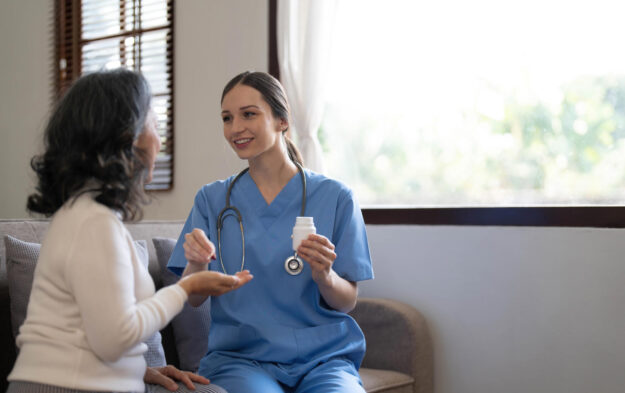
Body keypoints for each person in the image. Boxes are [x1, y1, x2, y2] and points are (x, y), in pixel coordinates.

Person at [6, 69, 253, 393]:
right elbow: (113, 338)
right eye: (152, 124)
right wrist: (186, 287)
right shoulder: (92, 223)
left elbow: (96, 328)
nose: (159, 139)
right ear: (124, 138)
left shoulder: (85, 215)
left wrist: (139, 368)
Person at [167, 71, 374, 392]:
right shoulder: (212, 200)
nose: (235, 128)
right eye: (227, 118)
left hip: (324, 357)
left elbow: (347, 302)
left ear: (281, 120)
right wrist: (195, 265)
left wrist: (324, 276)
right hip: (240, 358)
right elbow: (192, 299)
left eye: (249, 114)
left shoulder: (336, 197)